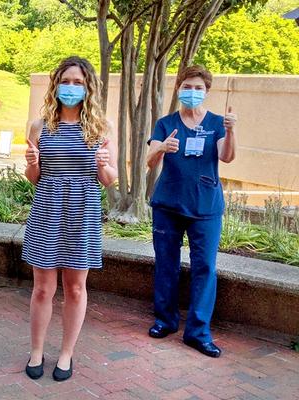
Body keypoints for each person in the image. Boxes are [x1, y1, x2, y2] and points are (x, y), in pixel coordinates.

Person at [21, 56, 118, 382]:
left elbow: (109, 180)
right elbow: (33, 177)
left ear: (88, 86)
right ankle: (36, 350)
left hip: (83, 213)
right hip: (46, 210)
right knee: (42, 289)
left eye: (78, 82)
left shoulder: (101, 128)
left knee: (75, 290)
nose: (71, 88)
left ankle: (66, 354)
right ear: (55, 85)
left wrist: (104, 163)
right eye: (66, 81)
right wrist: (32, 161)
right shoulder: (39, 126)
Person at [146, 65, 237, 358]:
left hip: (205, 207)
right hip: (168, 205)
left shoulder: (216, 123)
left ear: (206, 92)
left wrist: (231, 130)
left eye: (199, 88)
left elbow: (227, 156)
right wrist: (162, 148)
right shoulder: (165, 123)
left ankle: (198, 332)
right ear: (178, 89)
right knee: (166, 264)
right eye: (188, 86)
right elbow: (149, 161)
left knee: (205, 268)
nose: (193, 92)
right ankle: (165, 320)